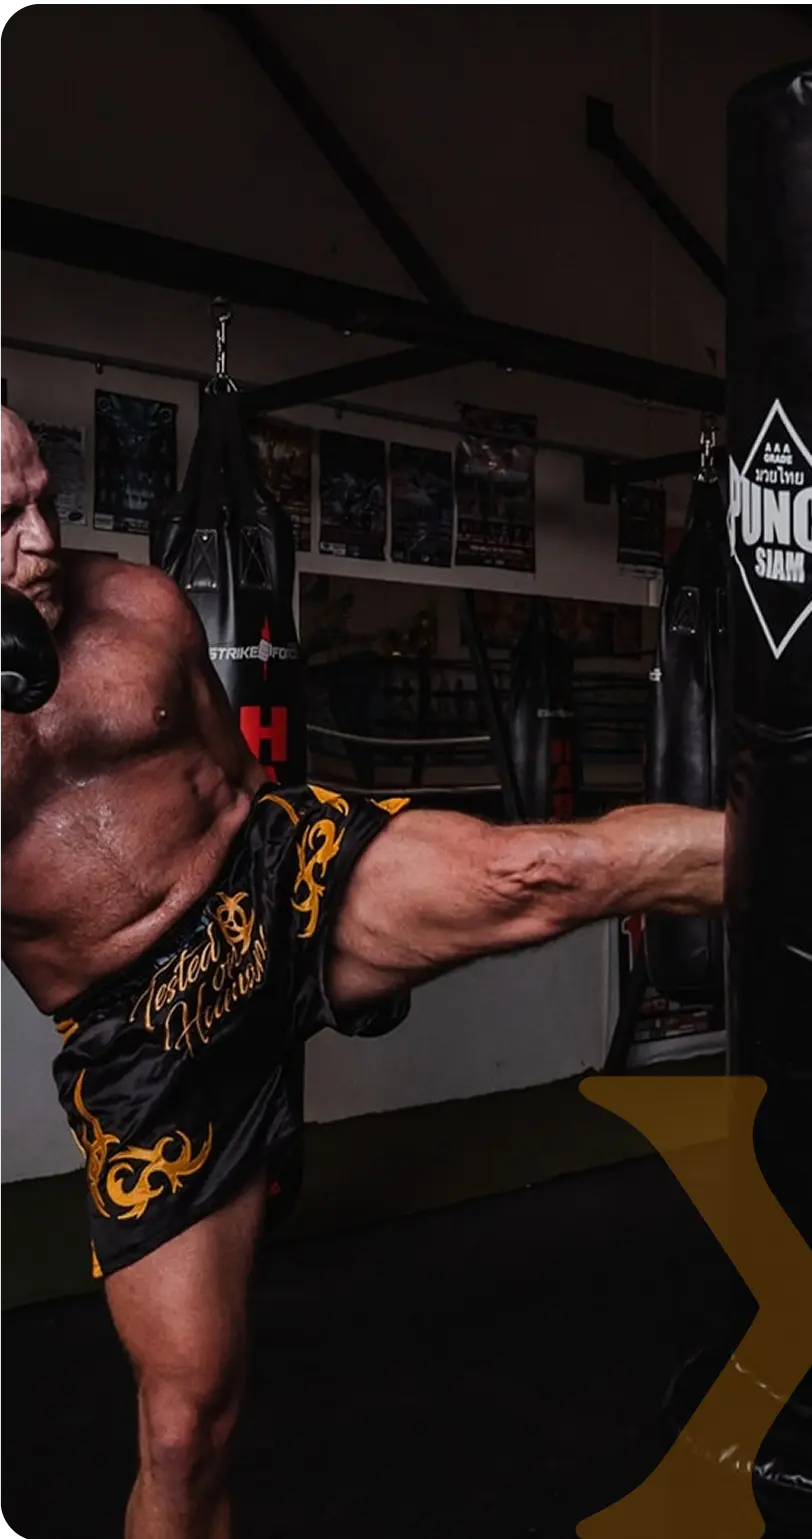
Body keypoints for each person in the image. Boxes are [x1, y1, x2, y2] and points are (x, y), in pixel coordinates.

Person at [0, 406, 723, 1539]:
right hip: (141, 1034)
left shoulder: (140, 604)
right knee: (183, 1430)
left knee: (540, 869)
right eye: (4, 517)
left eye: (46, 497)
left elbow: (244, 788)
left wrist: (346, 926)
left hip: (269, 886)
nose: (43, 538)